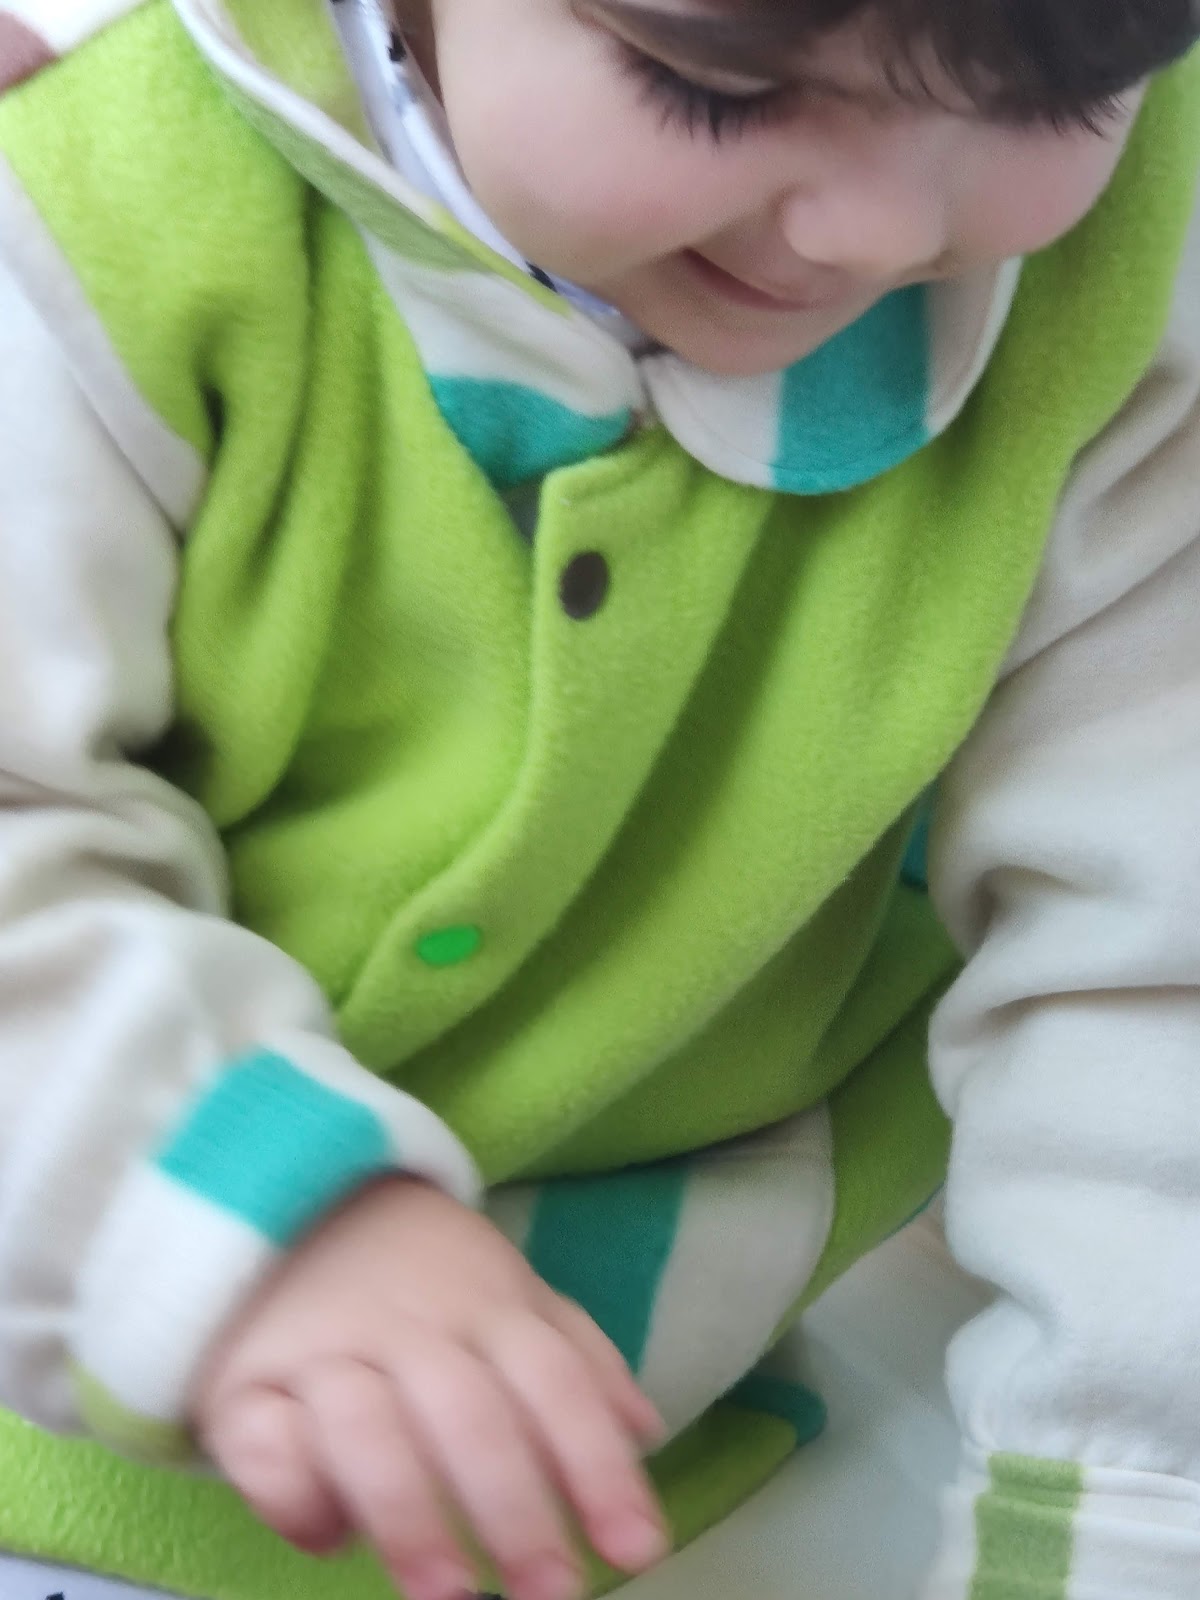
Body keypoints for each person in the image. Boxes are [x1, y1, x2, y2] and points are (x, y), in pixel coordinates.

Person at [0, 0, 1197, 1595]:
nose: (881, 229)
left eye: (1054, 105)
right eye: (711, 89)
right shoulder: (87, 217)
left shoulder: (1127, 294)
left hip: (674, 1428)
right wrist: (261, 1211)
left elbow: (1153, 952)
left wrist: (1121, 1505)